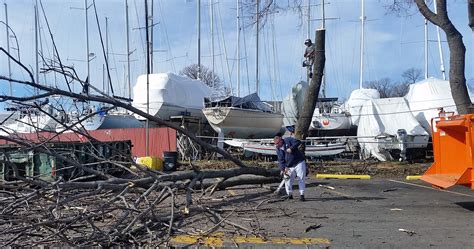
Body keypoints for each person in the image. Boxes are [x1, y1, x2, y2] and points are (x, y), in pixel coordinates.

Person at [274, 135, 307, 201]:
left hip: (298, 162)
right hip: (289, 165)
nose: (277, 145)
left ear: (281, 140)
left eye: (278, 143)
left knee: (301, 178)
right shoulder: (278, 149)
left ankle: (302, 194)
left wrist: (291, 148)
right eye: (276, 144)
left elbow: (298, 142)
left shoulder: (288, 140)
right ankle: (289, 194)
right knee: (287, 180)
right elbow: (281, 160)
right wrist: (282, 169)